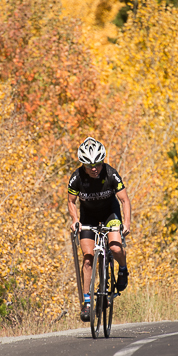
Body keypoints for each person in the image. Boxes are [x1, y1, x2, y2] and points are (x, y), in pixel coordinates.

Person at [67, 137, 132, 322]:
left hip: (110, 214)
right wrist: (75, 220)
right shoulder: (77, 178)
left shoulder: (111, 174)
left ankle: (123, 269)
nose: (93, 168)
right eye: (89, 165)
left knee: (115, 247)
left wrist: (126, 223)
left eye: (97, 163)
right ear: (83, 164)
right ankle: (87, 302)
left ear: (102, 160)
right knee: (88, 258)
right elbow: (71, 202)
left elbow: (125, 200)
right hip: (89, 218)